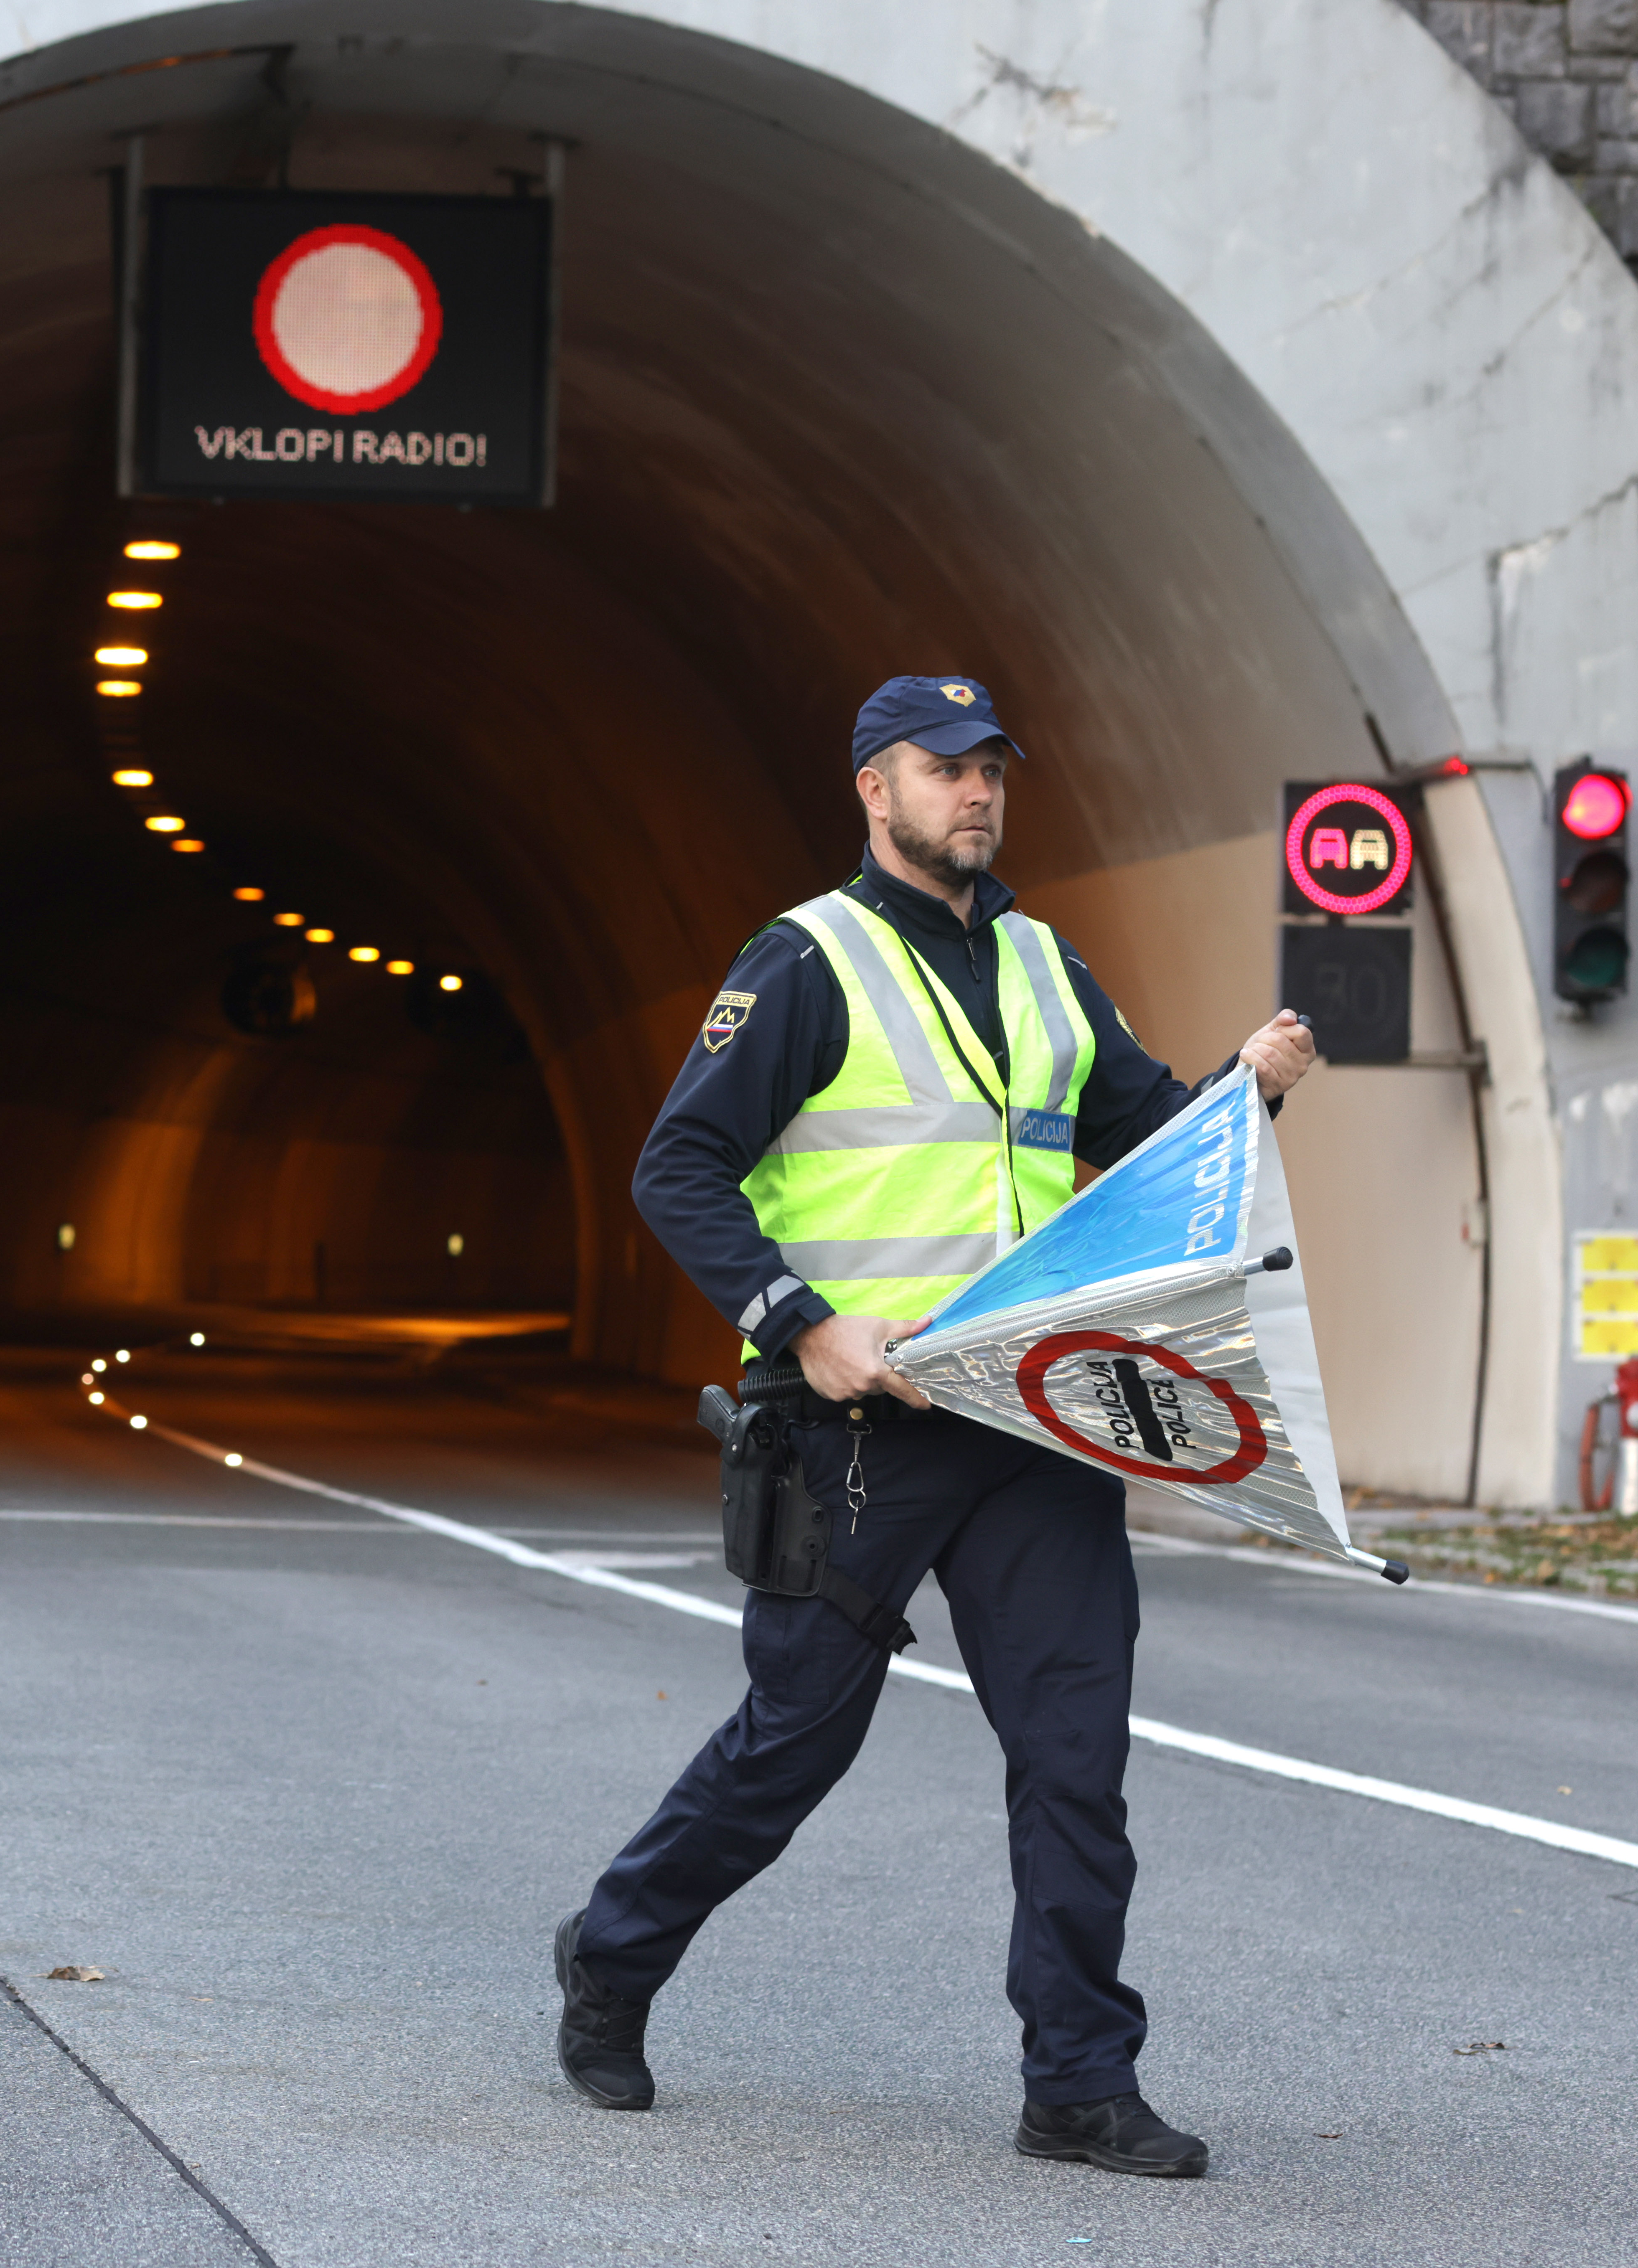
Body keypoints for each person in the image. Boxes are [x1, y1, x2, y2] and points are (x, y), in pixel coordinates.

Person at [554, 675, 1318, 2177]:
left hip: (1029, 1416)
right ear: (871, 786)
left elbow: (1145, 1146)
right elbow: (676, 1168)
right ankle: (611, 1954)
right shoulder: (802, 962)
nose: (973, 790)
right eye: (941, 767)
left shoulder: (1041, 965)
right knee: (790, 1745)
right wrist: (804, 1320)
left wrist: (1246, 1090)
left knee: (1072, 1752)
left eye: (989, 769)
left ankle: (1078, 2078)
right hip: (849, 1421)